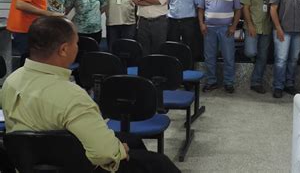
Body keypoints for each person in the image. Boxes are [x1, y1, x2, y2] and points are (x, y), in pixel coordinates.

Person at [0, 16, 180, 172]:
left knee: (130, 140)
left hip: (30, 161)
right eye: (76, 43)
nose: (77, 48)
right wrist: (119, 150)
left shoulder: (11, 81)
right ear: (63, 50)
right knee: (158, 163)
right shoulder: (72, 96)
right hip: (74, 166)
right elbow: (104, 154)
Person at [198, 0, 241, 94]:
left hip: (226, 29)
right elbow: (200, 9)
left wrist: (233, 26)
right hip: (209, 29)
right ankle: (211, 82)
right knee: (209, 57)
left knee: (228, 57)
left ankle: (229, 83)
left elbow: (238, 10)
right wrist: (201, 24)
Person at [241, 0, 274, 94]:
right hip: (252, 26)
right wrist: (249, 25)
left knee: (263, 56)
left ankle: (256, 82)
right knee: (250, 52)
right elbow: (245, 7)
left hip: (266, 27)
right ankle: (253, 61)